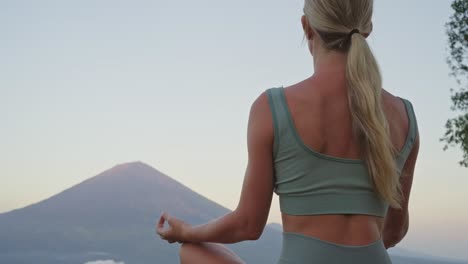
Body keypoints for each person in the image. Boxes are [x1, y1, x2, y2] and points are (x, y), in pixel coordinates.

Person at [156, 0, 419, 263]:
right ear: (367, 29)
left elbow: (247, 224)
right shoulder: (404, 116)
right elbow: (395, 230)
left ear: (306, 27)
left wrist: (186, 231)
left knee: (190, 249)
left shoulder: (272, 108)